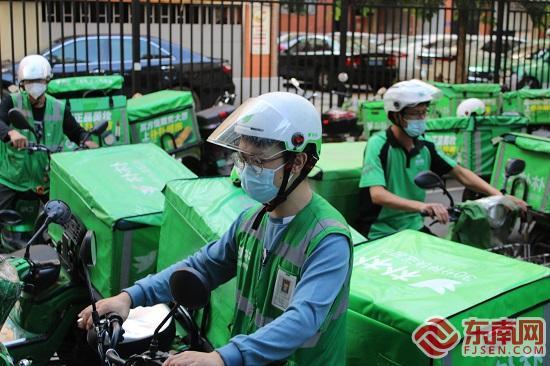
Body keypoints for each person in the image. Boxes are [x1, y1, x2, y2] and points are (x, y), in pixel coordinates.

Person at [78, 92, 353, 366]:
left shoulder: (327, 239)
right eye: (243, 159)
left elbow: (303, 319)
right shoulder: (251, 221)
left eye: (257, 162)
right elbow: (201, 267)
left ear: (298, 162)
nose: (246, 171)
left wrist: (223, 357)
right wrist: (130, 297)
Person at [357, 79, 526, 240]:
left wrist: (500, 197)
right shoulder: (378, 145)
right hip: (380, 231)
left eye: (423, 113)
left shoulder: (425, 145)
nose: (421, 119)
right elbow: (377, 195)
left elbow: (461, 173)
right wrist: (422, 206)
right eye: (415, 114)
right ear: (395, 116)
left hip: (413, 227)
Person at [0, 54, 97, 210]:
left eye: (39, 80)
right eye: (29, 81)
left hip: (45, 179)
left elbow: (76, 132)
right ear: (22, 84)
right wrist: (11, 133)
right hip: (13, 178)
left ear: (47, 80)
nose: (34, 85)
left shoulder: (59, 107)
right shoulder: (12, 101)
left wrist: (87, 141)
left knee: (67, 219)